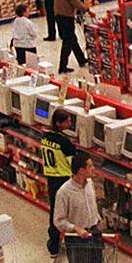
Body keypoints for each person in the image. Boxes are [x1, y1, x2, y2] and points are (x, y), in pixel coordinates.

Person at [54, 154, 103, 263]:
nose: (93, 169)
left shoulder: (89, 184)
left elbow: (92, 207)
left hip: (93, 234)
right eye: (90, 166)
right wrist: (76, 229)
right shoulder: (64, 192)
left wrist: (98, 220)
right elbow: (59, 220)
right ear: (81, 170)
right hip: (77, 239)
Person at [40, 109, 78, 255]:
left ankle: (53, 245)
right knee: (68, 213)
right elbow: (72, 163)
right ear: (58, 123)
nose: (70, 123)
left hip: (51, 178)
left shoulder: (45, 136)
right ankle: (69, 244)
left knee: (54, 212)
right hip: (64, 179)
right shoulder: (65, 142)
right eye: (67, 121)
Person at [53, 0, 90, 74]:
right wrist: (86, 9)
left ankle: (81, 59)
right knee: (68, 42)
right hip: (66, 18)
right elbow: (76, 2)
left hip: (59, 17)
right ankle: (62, 66)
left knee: (72, 39)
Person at [10, 3, 40, 67]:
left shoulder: (15, 21)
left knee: (21, 64)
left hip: (18, 45)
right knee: (32, 65)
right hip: (28, 46)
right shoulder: (28, 22)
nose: (29, 13)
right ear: (24, 13)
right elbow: (34, 33)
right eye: (28, 11)